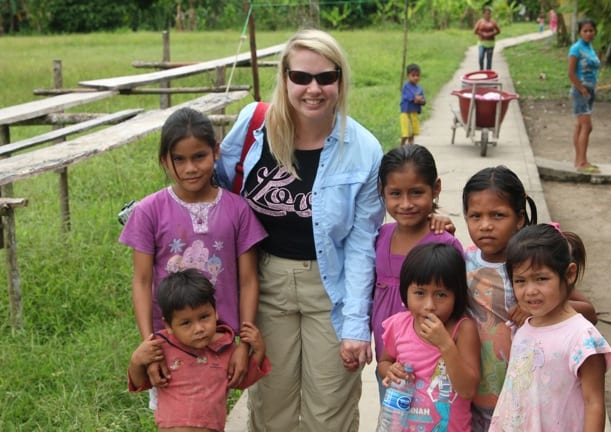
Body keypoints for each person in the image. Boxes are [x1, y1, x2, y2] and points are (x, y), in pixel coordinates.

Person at [215, 29, 385, 431]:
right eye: (301, 77)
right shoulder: (253, 126)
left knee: (330, 411)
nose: (314, 89)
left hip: (332, 290)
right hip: (264, 282)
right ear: (284, 78)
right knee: (269, 406)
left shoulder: (363, 149)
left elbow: (363, 243)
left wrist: (357, 326)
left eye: (326, 77)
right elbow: (216, 188)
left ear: (340, 80)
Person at [119, 107, 267, 402]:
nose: (190, 168)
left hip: (221, 342)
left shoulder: (238, 210)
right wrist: (151, 344)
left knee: (211, 415)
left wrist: (243, 343)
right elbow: (142, 280)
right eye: (179, 160)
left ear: (216, 152)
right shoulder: (149, 211)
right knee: (175, 417)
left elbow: (248, 280)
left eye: (199, 156)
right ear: (165, 160)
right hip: (170, 342)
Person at [462, 165, 597, 431]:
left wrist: (543, 310)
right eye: (475, 216)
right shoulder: (463, 259)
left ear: (520, 218)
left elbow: (588, 311)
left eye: (498, 215)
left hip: (527, 396)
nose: (485, 225)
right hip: (476, 393)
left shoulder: (533, 267)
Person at [490, 224, 611, 431]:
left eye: (541, 279)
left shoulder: (582, 337)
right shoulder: (523, 328)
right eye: (520, 281)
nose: (530, 291)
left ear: (569, 274)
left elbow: (594, 403)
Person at [372, 144, 463, 402]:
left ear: (436, 189)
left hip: (436, 365)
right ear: (382, 192)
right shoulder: (379, 238)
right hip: (390, 362)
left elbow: (459, 302)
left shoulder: (444, 243)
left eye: (416, 193)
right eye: (395, 194)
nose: (406, 204)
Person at [128, 269, 271, 431]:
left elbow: (241, 380)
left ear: (216, 313)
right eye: (186, 323)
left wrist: (258, 352)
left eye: (204, 317)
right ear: (168, 325)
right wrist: (136, 360)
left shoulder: (225, 348)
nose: (199, 329)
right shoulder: (161, 347)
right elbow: (140, 383)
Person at [378, 243, 481, 431]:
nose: (429, 305)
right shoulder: (398, 325)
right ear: (405, 292)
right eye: (419, 293)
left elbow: (467, 390)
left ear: (456, 296)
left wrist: (445, 344)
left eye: (441, 294)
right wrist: (390, 371)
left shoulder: (463, 330)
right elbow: (384, 362)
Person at [568, 18, 601, 174]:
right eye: (585, 31)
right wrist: (581, 88)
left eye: (591, 30)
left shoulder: (590, 48)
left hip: (589, 91)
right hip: (581, 91)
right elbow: (571, 72)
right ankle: (582, 162)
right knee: (587, 126)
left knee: (581, 125)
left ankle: (579, 160)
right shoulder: (576, 49)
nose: (588, 33)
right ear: (580, 32)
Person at [400, 63, 426, 145]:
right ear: (408, 76)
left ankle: (411, 146)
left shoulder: (419, 88)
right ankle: (402, 146)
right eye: (413, 75)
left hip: (414, 112)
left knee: (413, 132)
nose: (416, 77)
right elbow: (410, 97)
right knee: (406, 132)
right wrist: (416, 99)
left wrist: (421, 101)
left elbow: (423, 100)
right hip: (406, 112)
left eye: (418, 75)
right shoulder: (406, 87)